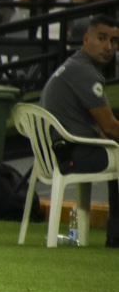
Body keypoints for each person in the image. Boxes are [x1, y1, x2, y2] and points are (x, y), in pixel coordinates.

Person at [39, 15, 119, 249]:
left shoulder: (74, 65)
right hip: (70, 157)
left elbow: (105, 131)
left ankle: (116, 233)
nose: (108, 47)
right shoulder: (85, 73)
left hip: (56, 154)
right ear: (86, 39)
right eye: (102, 38)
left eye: (114, 41)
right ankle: (116, 234)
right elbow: (110, 126)